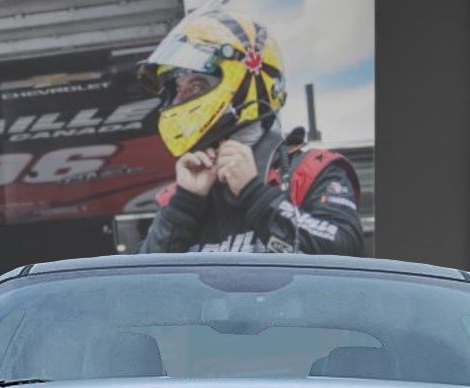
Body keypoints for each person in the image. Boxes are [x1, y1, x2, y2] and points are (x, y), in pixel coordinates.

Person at [137, 9, 364, 256]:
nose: (177, 101)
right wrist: (184, 206)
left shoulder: (309, 172)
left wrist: (254, 193)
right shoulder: (181, 196)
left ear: (243, 82)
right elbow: (142, 278)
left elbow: (346, 255)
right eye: (175, 89)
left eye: (196, 85)